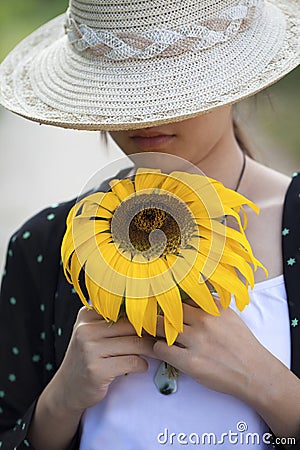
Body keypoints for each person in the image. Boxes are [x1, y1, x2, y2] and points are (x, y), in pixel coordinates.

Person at [0, 0, 299, 449]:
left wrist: (269, 385)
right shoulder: (43, 246)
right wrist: (61, 401)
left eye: (172, 86)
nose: (148, 114)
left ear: (236, 80)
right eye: (123, 86)